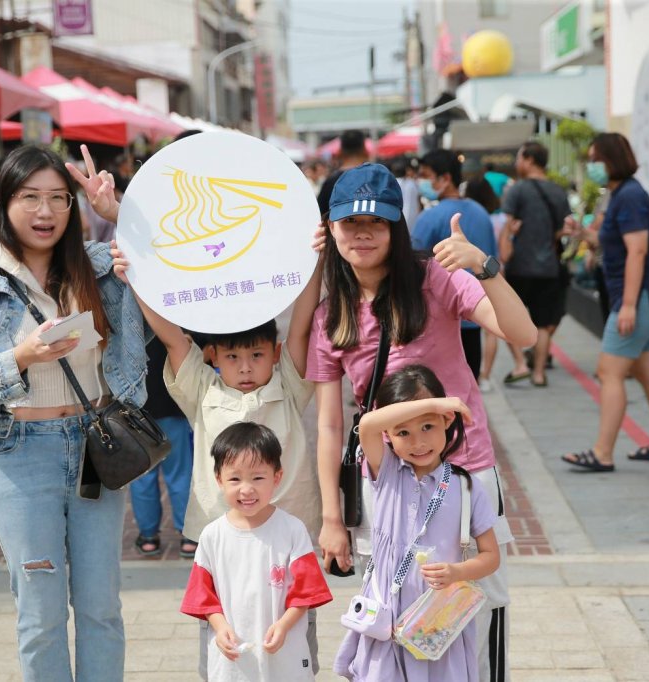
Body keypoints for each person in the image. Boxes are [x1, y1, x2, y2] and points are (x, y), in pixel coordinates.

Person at [308, 162, 536, 682]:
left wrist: (484, 265)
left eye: (377, 223)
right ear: (331, 229)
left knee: (475, 614)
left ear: (397, 226)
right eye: (349, 223)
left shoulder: (437, 281)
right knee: (396, 618)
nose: (362, 234)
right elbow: (327, 425)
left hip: (463, 473)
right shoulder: (332, 315)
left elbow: (523, 335)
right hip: (385, 486)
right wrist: (330, 517)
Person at [0, 144, 148, 681]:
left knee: (101, 607)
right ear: (2, 203)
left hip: (97, 448)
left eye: (58, 198)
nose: (45, 211)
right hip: (21, 455)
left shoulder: (102, 269)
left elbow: (176, 267)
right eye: (30, 197)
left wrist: (118, 214)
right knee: (41, 616)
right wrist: (19, 358)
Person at [111, 244, 325, 677]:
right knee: (224, 639)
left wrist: (315, 261)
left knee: (296, 636)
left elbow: (302, 327)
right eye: (232, 356)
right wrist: (136, 278)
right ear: (212, 357)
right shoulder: (203, 391)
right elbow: (172, 336)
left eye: (257, 355)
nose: (246, 367)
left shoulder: (288, 384)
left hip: (290, 531)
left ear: (275, 352)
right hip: (221, 534)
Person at [334, 365, 500, 680]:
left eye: (427, 427)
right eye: (403, 432)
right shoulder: (387, 470)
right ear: (389, 436)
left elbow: (491, 556)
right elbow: (367, 424)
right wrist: (434, 405)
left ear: (447, 422)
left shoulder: (466, 487)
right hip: (387, 615)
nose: (418, 442)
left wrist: (457, 572)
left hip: (436, 619)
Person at [562, 132, 649, 472]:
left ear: (611, 159)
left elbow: (637, 250)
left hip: (639, 297)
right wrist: (584, 235)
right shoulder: (621, 195)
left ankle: (602, 453)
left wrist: (627, 305)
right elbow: (614, 240)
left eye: (596, 159)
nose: (592, 166)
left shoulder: (628, 196)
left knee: (608, 372)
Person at [181, 422, 333, 681]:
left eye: (258, 477)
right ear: (219, 479)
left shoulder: (292, 530)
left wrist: (284, 625)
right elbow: (203, 597)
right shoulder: (212, 536)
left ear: (277, 477)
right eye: (235, 478)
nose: (247, 489)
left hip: (285, 650)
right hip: (233, 654)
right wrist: (220, 627)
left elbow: (305, 594)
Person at [412, 150, 498, 380]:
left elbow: (411, 268)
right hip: (477, 315)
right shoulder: (481, 213)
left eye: (426, 175)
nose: (422, 181)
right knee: (469, 390)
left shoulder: (430, 218)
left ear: (445, 178)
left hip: (439, 322)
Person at [498, 142, 572, 388]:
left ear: (529, 159)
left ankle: (520, 362)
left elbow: (507, 225)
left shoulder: (517, 190)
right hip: (548, 267)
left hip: (520, 266)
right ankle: (539, 374)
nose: (517, 163)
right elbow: (563, 229)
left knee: (506, 318)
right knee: (542, 324)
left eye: (519, 158)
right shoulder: (558, 191)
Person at [130, 337, 196, 558]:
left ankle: (148, 537)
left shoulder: (126, 309)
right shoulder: (170, 309)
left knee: (142, 476)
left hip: (137, 409)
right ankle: (188, 535)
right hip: (172, 404)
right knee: (180, 473)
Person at [464, 178, 507, 393]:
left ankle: (475, 376)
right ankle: (486, 375)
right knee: (491, 331)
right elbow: (499, 254)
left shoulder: (467, 216)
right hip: (490, 277)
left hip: (466, 280)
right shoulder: (496, 218)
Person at [317, 130, 369, 214]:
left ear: (340, 151)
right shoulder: (376, 178)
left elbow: (321, 213)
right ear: (364, 150)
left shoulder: (331, 181)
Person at [391, 157, 421, 228]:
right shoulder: (412, 184)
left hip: (396, 221)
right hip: (412, 222)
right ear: (406, 171)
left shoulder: (391, 183)